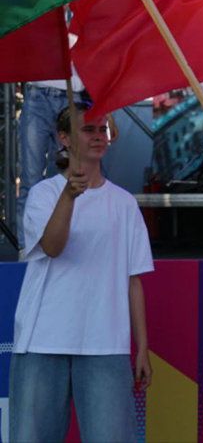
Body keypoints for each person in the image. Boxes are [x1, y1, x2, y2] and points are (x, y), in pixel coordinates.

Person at [10, 103, 154, 443]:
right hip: (42, 341)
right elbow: (53, 247)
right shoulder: (43, 195)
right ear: (63, 138)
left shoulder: (124, 203)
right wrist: (69, 197)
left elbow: (134, 281)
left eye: (102, 128)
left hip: (106, 344)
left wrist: (142, 346)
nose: (98, 135)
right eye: (88, 129)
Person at [17, 70, 85, 243]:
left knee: (66, 181)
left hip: (72, 95)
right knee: (30, 180)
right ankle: (27, 249)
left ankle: (61, 245)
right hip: (38, 93)